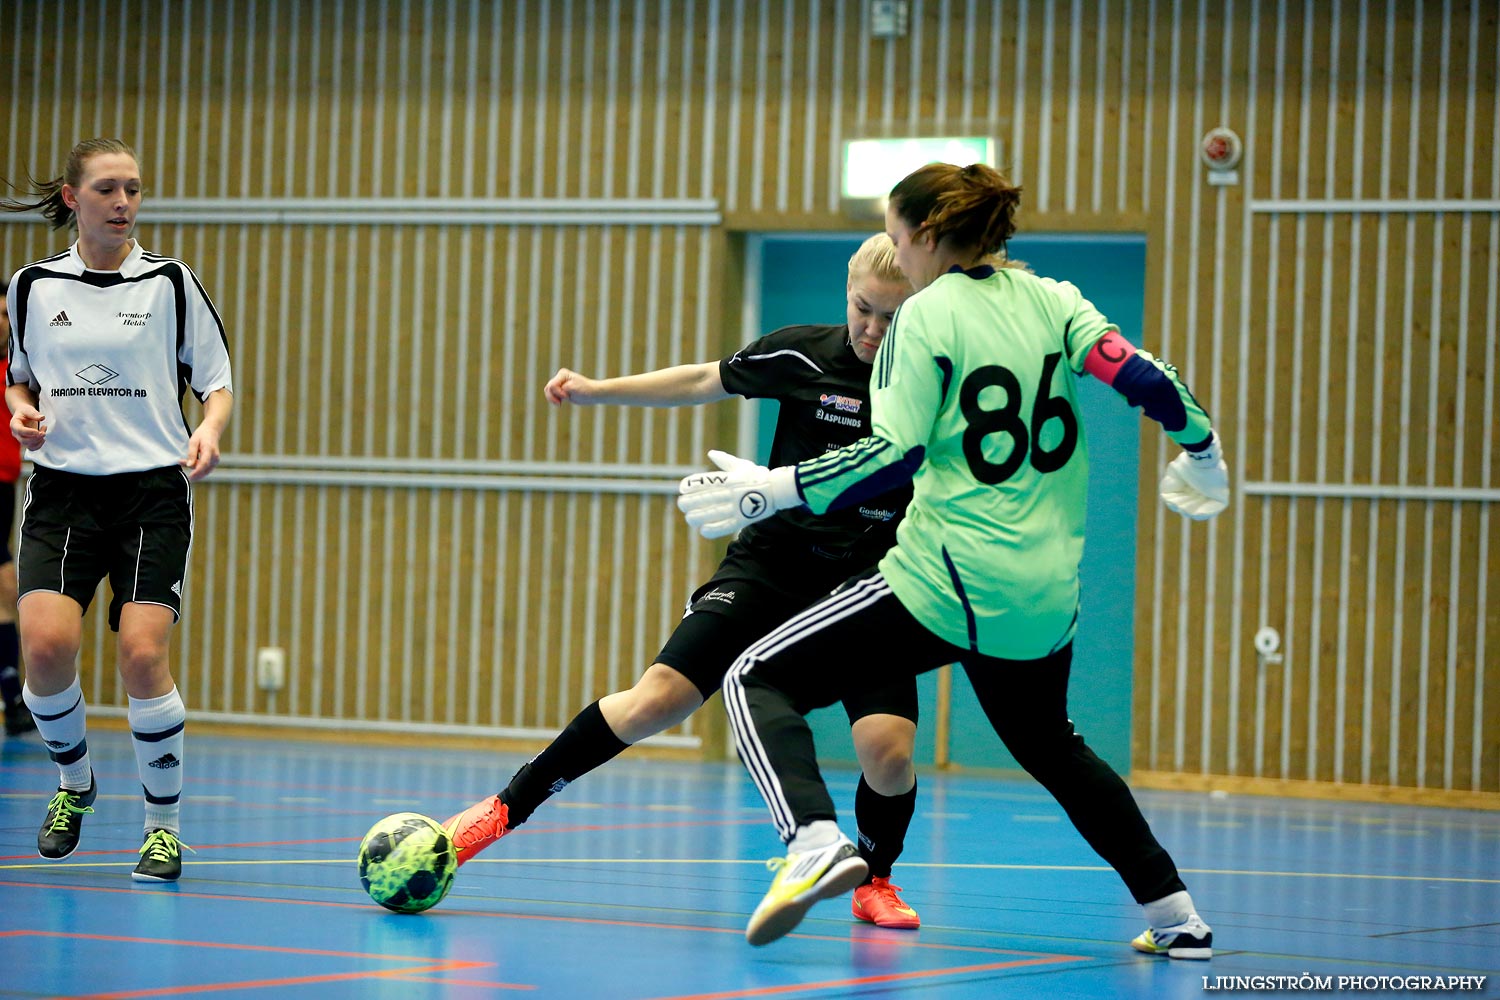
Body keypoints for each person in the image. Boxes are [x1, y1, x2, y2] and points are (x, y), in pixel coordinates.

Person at [677, 162, 1229, 953]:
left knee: (754, 678)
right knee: (1053, 748)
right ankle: (1176, 916)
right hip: (1043, 594)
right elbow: (1140, 374)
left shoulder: (924, 318)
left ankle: (814, 844)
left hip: (944, 579)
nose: (898, 258)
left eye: (900, 240)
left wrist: (773, 489)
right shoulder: (1056, 299)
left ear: (928, 236)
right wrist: (1203, 450)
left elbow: (891, 456)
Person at [444, 234, 931, 928]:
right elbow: (704, 379)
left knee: (888, 754)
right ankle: (498, 812)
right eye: (863, 309)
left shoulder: (929, 386)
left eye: (893, 318)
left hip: (868, 582)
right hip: (773, 565)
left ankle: (874, 879)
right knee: (655, 701)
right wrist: (595, 391)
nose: (872, 330)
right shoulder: (803, 354)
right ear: (846, 295)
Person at [1, 138, 234, 881]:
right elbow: (19, 379)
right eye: (107, 189)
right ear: (73, 197)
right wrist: (19, 414)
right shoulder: (32, 286)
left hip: (150, 495)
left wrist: (210, 429)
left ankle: (162, 828)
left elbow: (217, 381)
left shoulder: (170, 284)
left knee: (141, 653)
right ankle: (75, 785)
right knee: (42, 649)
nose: (124, 203)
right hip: (64, 492)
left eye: (133, 188)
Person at [0, 279, 34, 737]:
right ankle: (12, 694)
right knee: (6, 583)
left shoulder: (17, 372)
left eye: (6, 315)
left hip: (5, 486)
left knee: (6, 590)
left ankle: (11, 695)